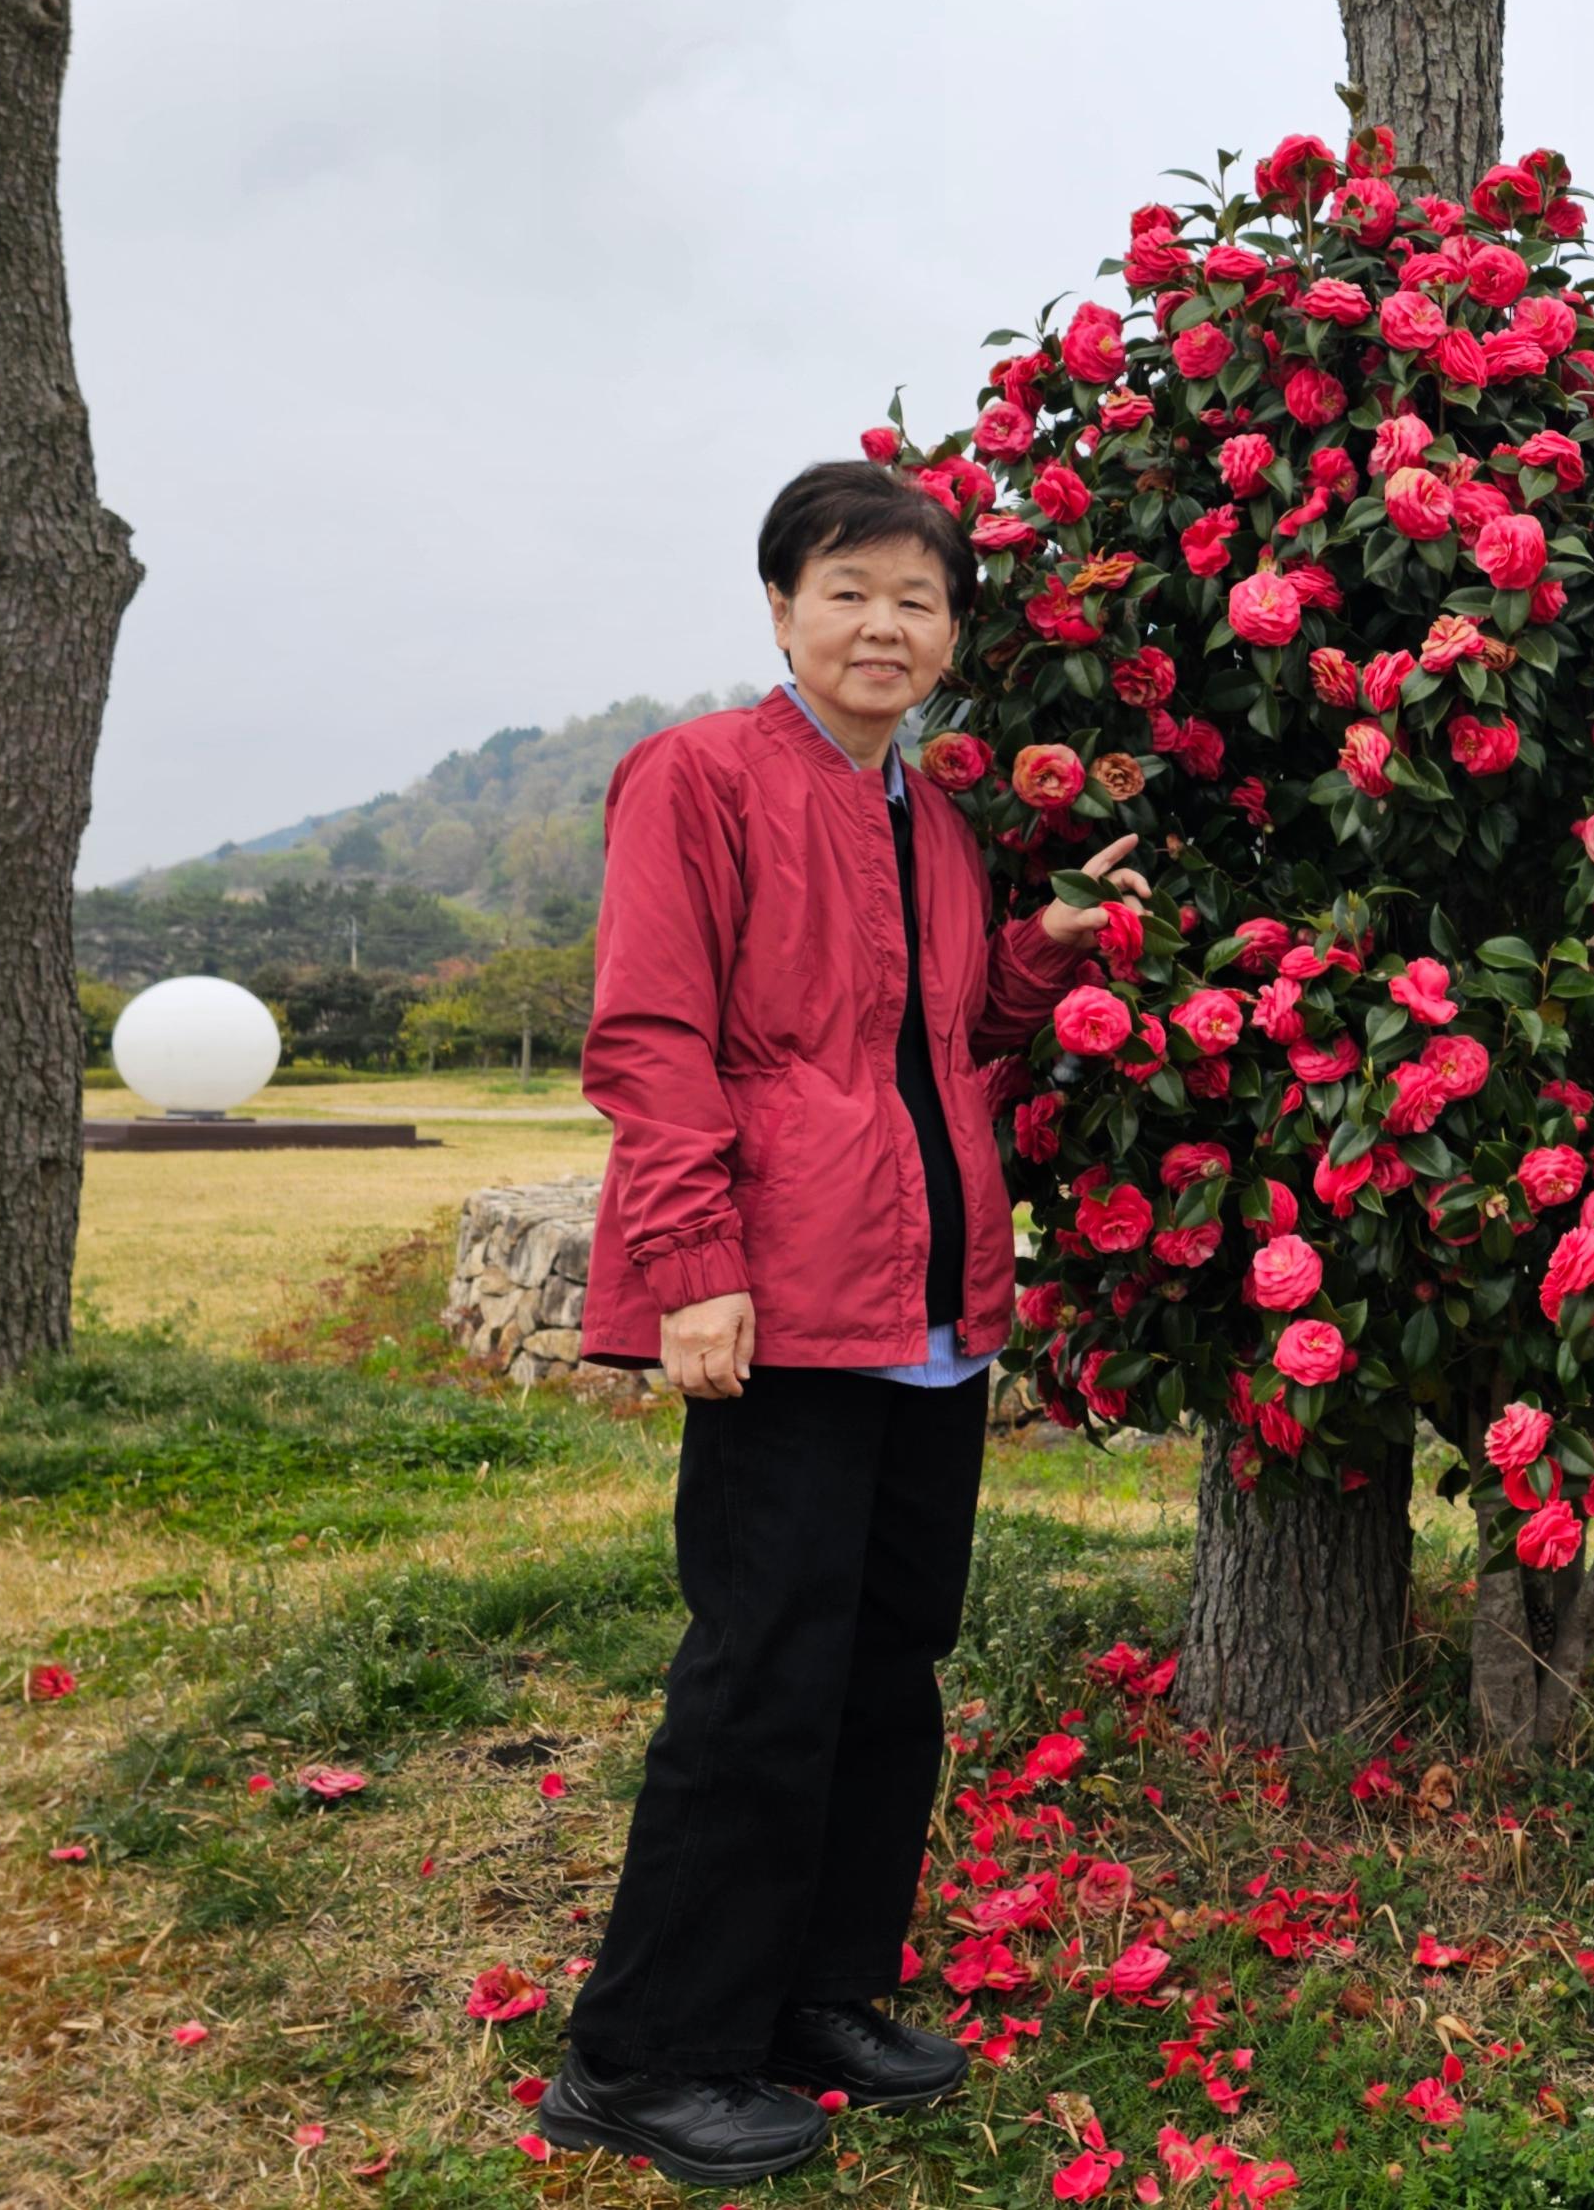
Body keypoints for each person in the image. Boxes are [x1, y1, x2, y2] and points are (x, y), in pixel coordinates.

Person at [534, 461, 1142, 2184]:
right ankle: (644, 2055)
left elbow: (940, 1038)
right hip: (784, 1302)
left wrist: (1044, 949)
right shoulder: (701, 778)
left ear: (951, 634)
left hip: (928, 1310)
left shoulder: (932, 819)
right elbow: (651, 1037)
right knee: (764, 1671)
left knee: (888, 1664)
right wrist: (694, 1259)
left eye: (917, 600)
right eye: (849, 590)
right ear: (782, 609)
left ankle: (818, 1996)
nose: (884, 626)